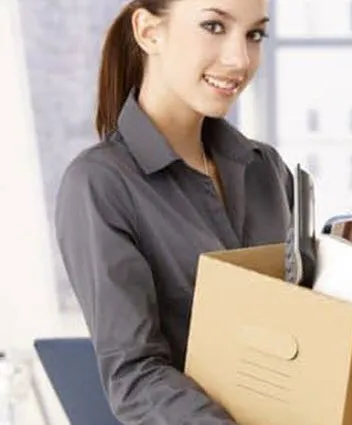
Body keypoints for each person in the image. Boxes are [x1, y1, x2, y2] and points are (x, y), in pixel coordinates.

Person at [54, 0, 287, 423]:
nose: (239, 59)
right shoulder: (100, 184)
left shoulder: (266, 171)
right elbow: (135, 376)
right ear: (148, 32)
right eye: (214, 26)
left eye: (254, 34)